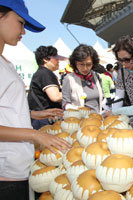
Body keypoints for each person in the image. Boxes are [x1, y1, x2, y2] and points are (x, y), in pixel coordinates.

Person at [0, 1, 71, 199]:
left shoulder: (5, 62)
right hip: (5, 175)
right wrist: (35, 135)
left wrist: (33, 114)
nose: (23, 32)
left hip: (19, 168)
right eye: (20, 23)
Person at [27, 45, 66, 129]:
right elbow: (55, 97)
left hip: (40, 118)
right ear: (45, 59)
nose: (58, 60)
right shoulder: (45, 73)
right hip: (44, 119)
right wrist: (75, 93)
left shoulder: (41, 72)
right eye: (55, 57)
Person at [62, 44, 104, 113]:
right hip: (79, 121)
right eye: (81, 64)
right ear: (75, 63)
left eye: (88, 64)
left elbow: (102, 99)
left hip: (97, 119)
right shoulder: (69, 79)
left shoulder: (96, 76)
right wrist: (77, 108)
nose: (85, 68)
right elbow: (65, 103)